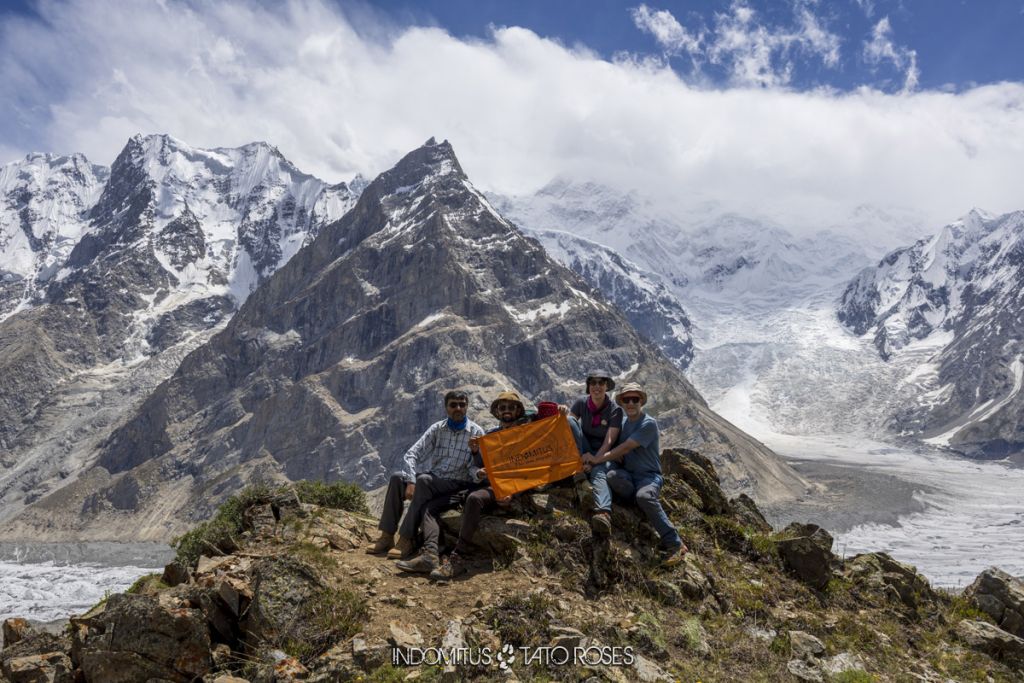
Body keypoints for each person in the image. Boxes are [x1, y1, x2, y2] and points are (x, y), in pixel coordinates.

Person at [367, 390, 484, 563]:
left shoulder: (477, 432)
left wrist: (479, 473)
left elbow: (475, 467)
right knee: (397, 478)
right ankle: (386, 536)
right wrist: (411, 480)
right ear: (446, 408)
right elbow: (412, 454)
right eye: (453, 405)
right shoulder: (438, 429)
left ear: (467, 407)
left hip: (457, 483)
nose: (458, 408)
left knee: (424, 480)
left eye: (462, 404)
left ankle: (406, 538)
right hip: (435, 478)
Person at [427, 390, 529, 580]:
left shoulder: (527, 435)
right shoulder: (490, 436)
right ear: (497, 411)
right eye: (502, 407)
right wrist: (475, 452)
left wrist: (512, 493)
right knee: (435, 504)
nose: (506, 411)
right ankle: (432, 552)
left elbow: (530, 468)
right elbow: (480, 466)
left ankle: (458, 557)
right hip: (490, 484)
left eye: (511, 407)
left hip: (511, 486)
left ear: (518, 411)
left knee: (474, 499)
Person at [601, 382, 687, 567]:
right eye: (626, 400)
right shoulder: (622, 424)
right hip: (627, 474)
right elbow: (617, 448)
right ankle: (637, 504)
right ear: (622, 403)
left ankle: (675, 543)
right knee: (611, 476)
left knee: (645, 496)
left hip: (648, 476)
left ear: (642, 402)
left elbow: (626, 447)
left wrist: (599, 459)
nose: (631, 403)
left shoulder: (649, 423)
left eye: (635, 399)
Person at [571, 372, 623, 536]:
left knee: (599, 472)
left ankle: (603, 513)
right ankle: (577, 467)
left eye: (601, 383)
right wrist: (582, 459)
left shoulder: (615, 410)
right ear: (589, 386)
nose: (597, 386)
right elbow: (570, 427)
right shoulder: (581, 402)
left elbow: (609, 441)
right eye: (593, 383)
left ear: (607, 386)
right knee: (568, 421)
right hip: (584, 448)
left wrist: (593, 461)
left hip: (603, 452)